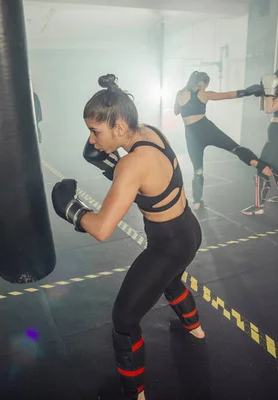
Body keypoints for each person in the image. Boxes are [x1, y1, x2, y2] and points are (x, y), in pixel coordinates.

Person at [51, 74, 204, 400]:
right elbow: (147, 183)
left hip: (168, 245)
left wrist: (71, 210)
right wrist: (110, 165)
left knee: (124, 319)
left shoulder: (131, 164)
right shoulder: (149, 132)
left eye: (96, 132)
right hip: (189, 231)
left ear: (119, 126)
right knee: (170, 280)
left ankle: (134, 391)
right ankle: (195, 327)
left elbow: (103, 228)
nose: (92, 141)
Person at [174, 71, 270, 210]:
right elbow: (228, 95)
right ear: (202, 83)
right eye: (205, 85)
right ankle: (261, 166)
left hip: (191, 134)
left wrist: (182, 102)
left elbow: (176, 111)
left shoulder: (180, 93)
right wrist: (249, 92)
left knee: (198, 170)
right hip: (206, 129)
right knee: (235, 148)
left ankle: (196, 202)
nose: (205, 88)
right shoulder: (204, 94)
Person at [241, 64, 278, 215]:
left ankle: (258, 207)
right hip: (277, 134)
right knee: (277, 167)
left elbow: (270, 109)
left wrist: (268, 92)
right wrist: (262, 93)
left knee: (262, 166)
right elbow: (264, 108)